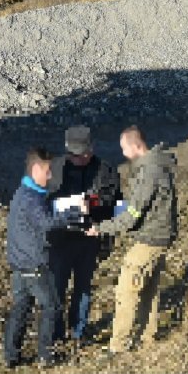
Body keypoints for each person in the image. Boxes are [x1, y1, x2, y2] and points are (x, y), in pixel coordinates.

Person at [86, 125, 177, 354]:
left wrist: (101, 228)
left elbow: (132, 217)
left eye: (125, 148)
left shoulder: (149, 173)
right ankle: (148, 337)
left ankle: (118, 345)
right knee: (149, 288)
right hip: (160, 235)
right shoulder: (157, 165)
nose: (124, 154)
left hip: (150, 239)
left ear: (136, 146)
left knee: (126, 289)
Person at [5, 148, 84, 367]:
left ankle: (11, 356)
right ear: (36, 168)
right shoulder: (32, 198)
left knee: (21, 309)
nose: (50, 176)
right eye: (48, 171)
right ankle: (45, 356)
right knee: (52, 307)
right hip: (34, 265)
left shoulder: (22, 193)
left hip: (19, 264)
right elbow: (46, 222)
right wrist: (71, 214)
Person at [47, 126, 121, 342]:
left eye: (84, 154)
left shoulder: (105, 169)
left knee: (83, 289)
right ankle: (56, 334)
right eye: (74, 155)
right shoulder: (55, 168)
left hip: (89, 239)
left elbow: (114, 199)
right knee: (57, 289)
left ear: (92, 148)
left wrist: (92, 203)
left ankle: (78, 332)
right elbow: (43, 199)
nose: (80, 159)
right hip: (60, 239)